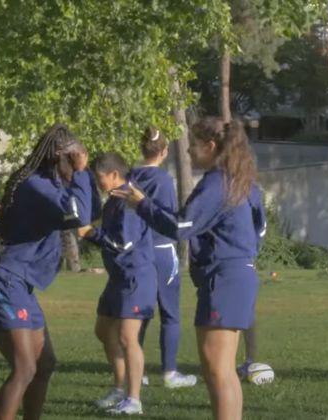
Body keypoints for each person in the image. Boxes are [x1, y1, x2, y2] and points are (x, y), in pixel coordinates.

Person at [113, 118, 266, 420]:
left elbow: (181, 226)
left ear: (210, 147)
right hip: (239, 276)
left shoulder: (216, 182)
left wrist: (142, 204)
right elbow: (260, 229)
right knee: (223, 371)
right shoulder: (243, 181)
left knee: (216, 369)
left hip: (223, 279)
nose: (188, 153)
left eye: (192, 146)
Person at [0, 124, 96, 420]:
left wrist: (83, 175)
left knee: (44, 364)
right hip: (4, 281)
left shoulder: (49, 184)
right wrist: (80, 173)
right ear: (59, 156)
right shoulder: (37, 186)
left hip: (21, 285)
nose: (78, 163)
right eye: (74, 158)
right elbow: (78, 216)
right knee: (25, 368)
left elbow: (88, 211)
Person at [78, 152, 157, 415]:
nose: (99, 182)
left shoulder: (128, 199)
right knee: (103, 331)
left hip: (136, 276)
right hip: (118, 277)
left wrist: (91, 234)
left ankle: (133, 399)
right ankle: (120, 387)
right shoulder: (113, 198)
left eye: (100, 178)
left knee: (127, 337)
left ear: (114, 175)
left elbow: (124, 243)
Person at [129, 127, 197, 389]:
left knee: (140, 312)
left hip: (137, 250)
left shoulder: (130, 177)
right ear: (165, 152)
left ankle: (139, 371)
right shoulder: (163, 180)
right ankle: (169, 372)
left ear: (141, 148)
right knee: (170, 313)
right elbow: (169, 217)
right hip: (161, 249)